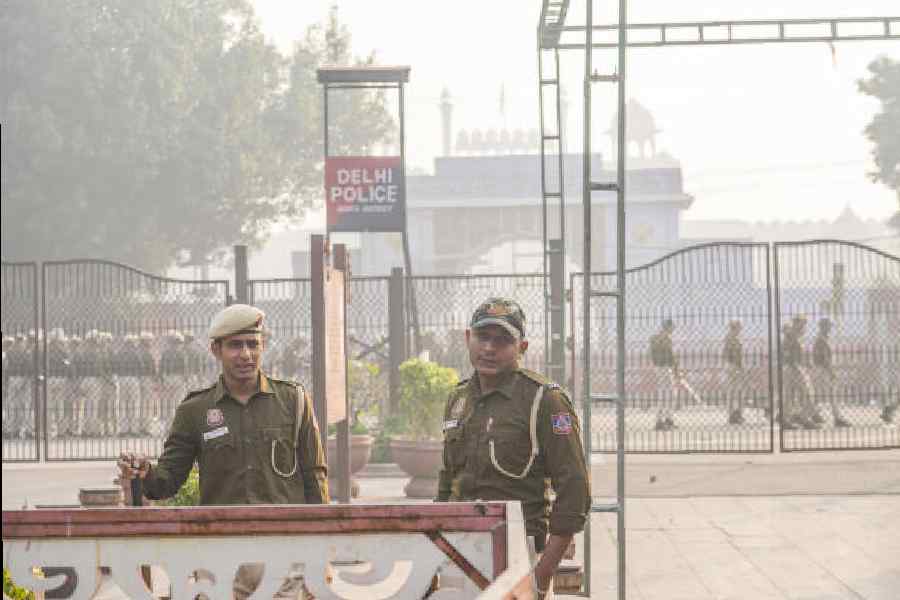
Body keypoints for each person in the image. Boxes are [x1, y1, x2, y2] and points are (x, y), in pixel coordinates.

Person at [118, 304, 328, 600]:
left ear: (263, 346)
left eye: (252, 344)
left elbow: (315, 478)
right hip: (220, 554)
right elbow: (166, 481)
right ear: (216, 350)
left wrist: (324, 544)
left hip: (283, 549)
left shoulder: (294, 401)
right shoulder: (196, 410)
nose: (245, 354)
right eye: (235, 345)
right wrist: (145, 472)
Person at [436, 297, 590, 599]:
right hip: (460, 552)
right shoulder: (458, 399)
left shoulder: (544, 402)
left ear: (522, 348)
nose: (489, 348)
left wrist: (541, 575)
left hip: (519, 557)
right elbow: (447, 481)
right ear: (469, 338)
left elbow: (575, 490)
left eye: (503, 340)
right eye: (483, 337)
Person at [649, 319, 701, 431]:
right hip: (665, 367)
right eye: (672, 328)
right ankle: (664, 420)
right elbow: (671, 356)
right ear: (668, 327)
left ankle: (664, 419)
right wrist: (677, 371)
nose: (673, 330)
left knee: (665, 393)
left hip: (658, 367)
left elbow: (655, 355)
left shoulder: (654, 338)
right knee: (669, 394)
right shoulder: (666, 339)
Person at [811, 318, 850, 428]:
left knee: (820, 394)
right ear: (823, 326)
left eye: (830, 326)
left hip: (821, 369)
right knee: (829, 393)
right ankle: (836, 417)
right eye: (828, 326)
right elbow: (825, 358)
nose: (830, 328)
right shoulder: (821, 339)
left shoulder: (822, 338)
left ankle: (815, 414)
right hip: (822, 369)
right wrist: (831, 371)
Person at [722, 321, 746, 425]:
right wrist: (739, 367)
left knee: (733, 391)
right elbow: (734, 354)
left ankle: (733, 413)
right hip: (734, 365)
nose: (740, 329)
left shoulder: (729, 338)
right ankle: (736, 413)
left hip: (731, 365)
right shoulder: (733, 338)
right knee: (737, 391)